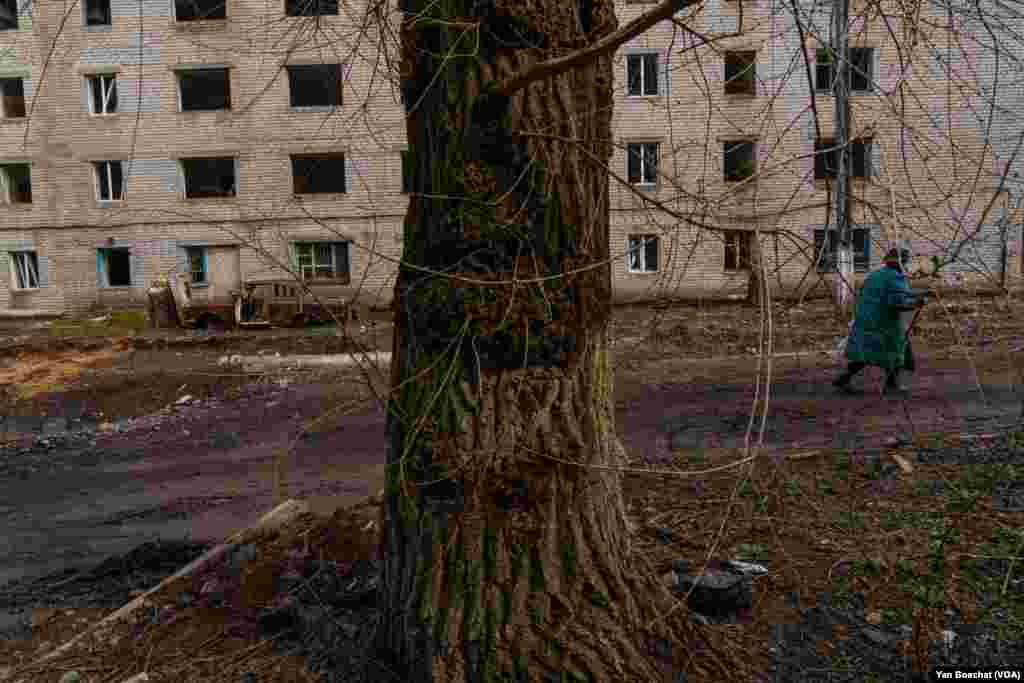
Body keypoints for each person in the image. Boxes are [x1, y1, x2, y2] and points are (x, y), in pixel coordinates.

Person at [833, 247, 928, 396]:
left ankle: (844, 377)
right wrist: (916, 303)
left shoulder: (875, 275)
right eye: (905, 262)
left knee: (867, 352)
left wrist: (917, 294)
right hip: (884, 323)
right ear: (901, 263)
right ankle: (891, 386)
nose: (906, 266)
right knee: (895, 350)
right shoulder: (896, 278)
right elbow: (897, 302)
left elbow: (890, 293)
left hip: (865, 320)